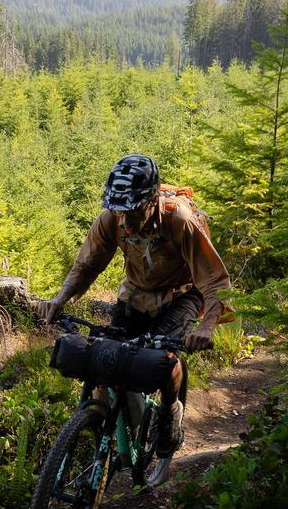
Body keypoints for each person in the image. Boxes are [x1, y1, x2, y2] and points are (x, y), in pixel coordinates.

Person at [40, 153, 232, 479]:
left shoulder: (179, 221)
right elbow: (87, 264)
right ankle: (98, 435)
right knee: (101, 361)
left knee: (164, 359)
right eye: (120, 212)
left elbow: (215, 280)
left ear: (151, 199)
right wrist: (60, 298)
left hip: (180, 296)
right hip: (135, 295)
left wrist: (207, 327)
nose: (125, 222)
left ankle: (170, 414)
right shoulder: (111, 219)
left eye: (133, 212)